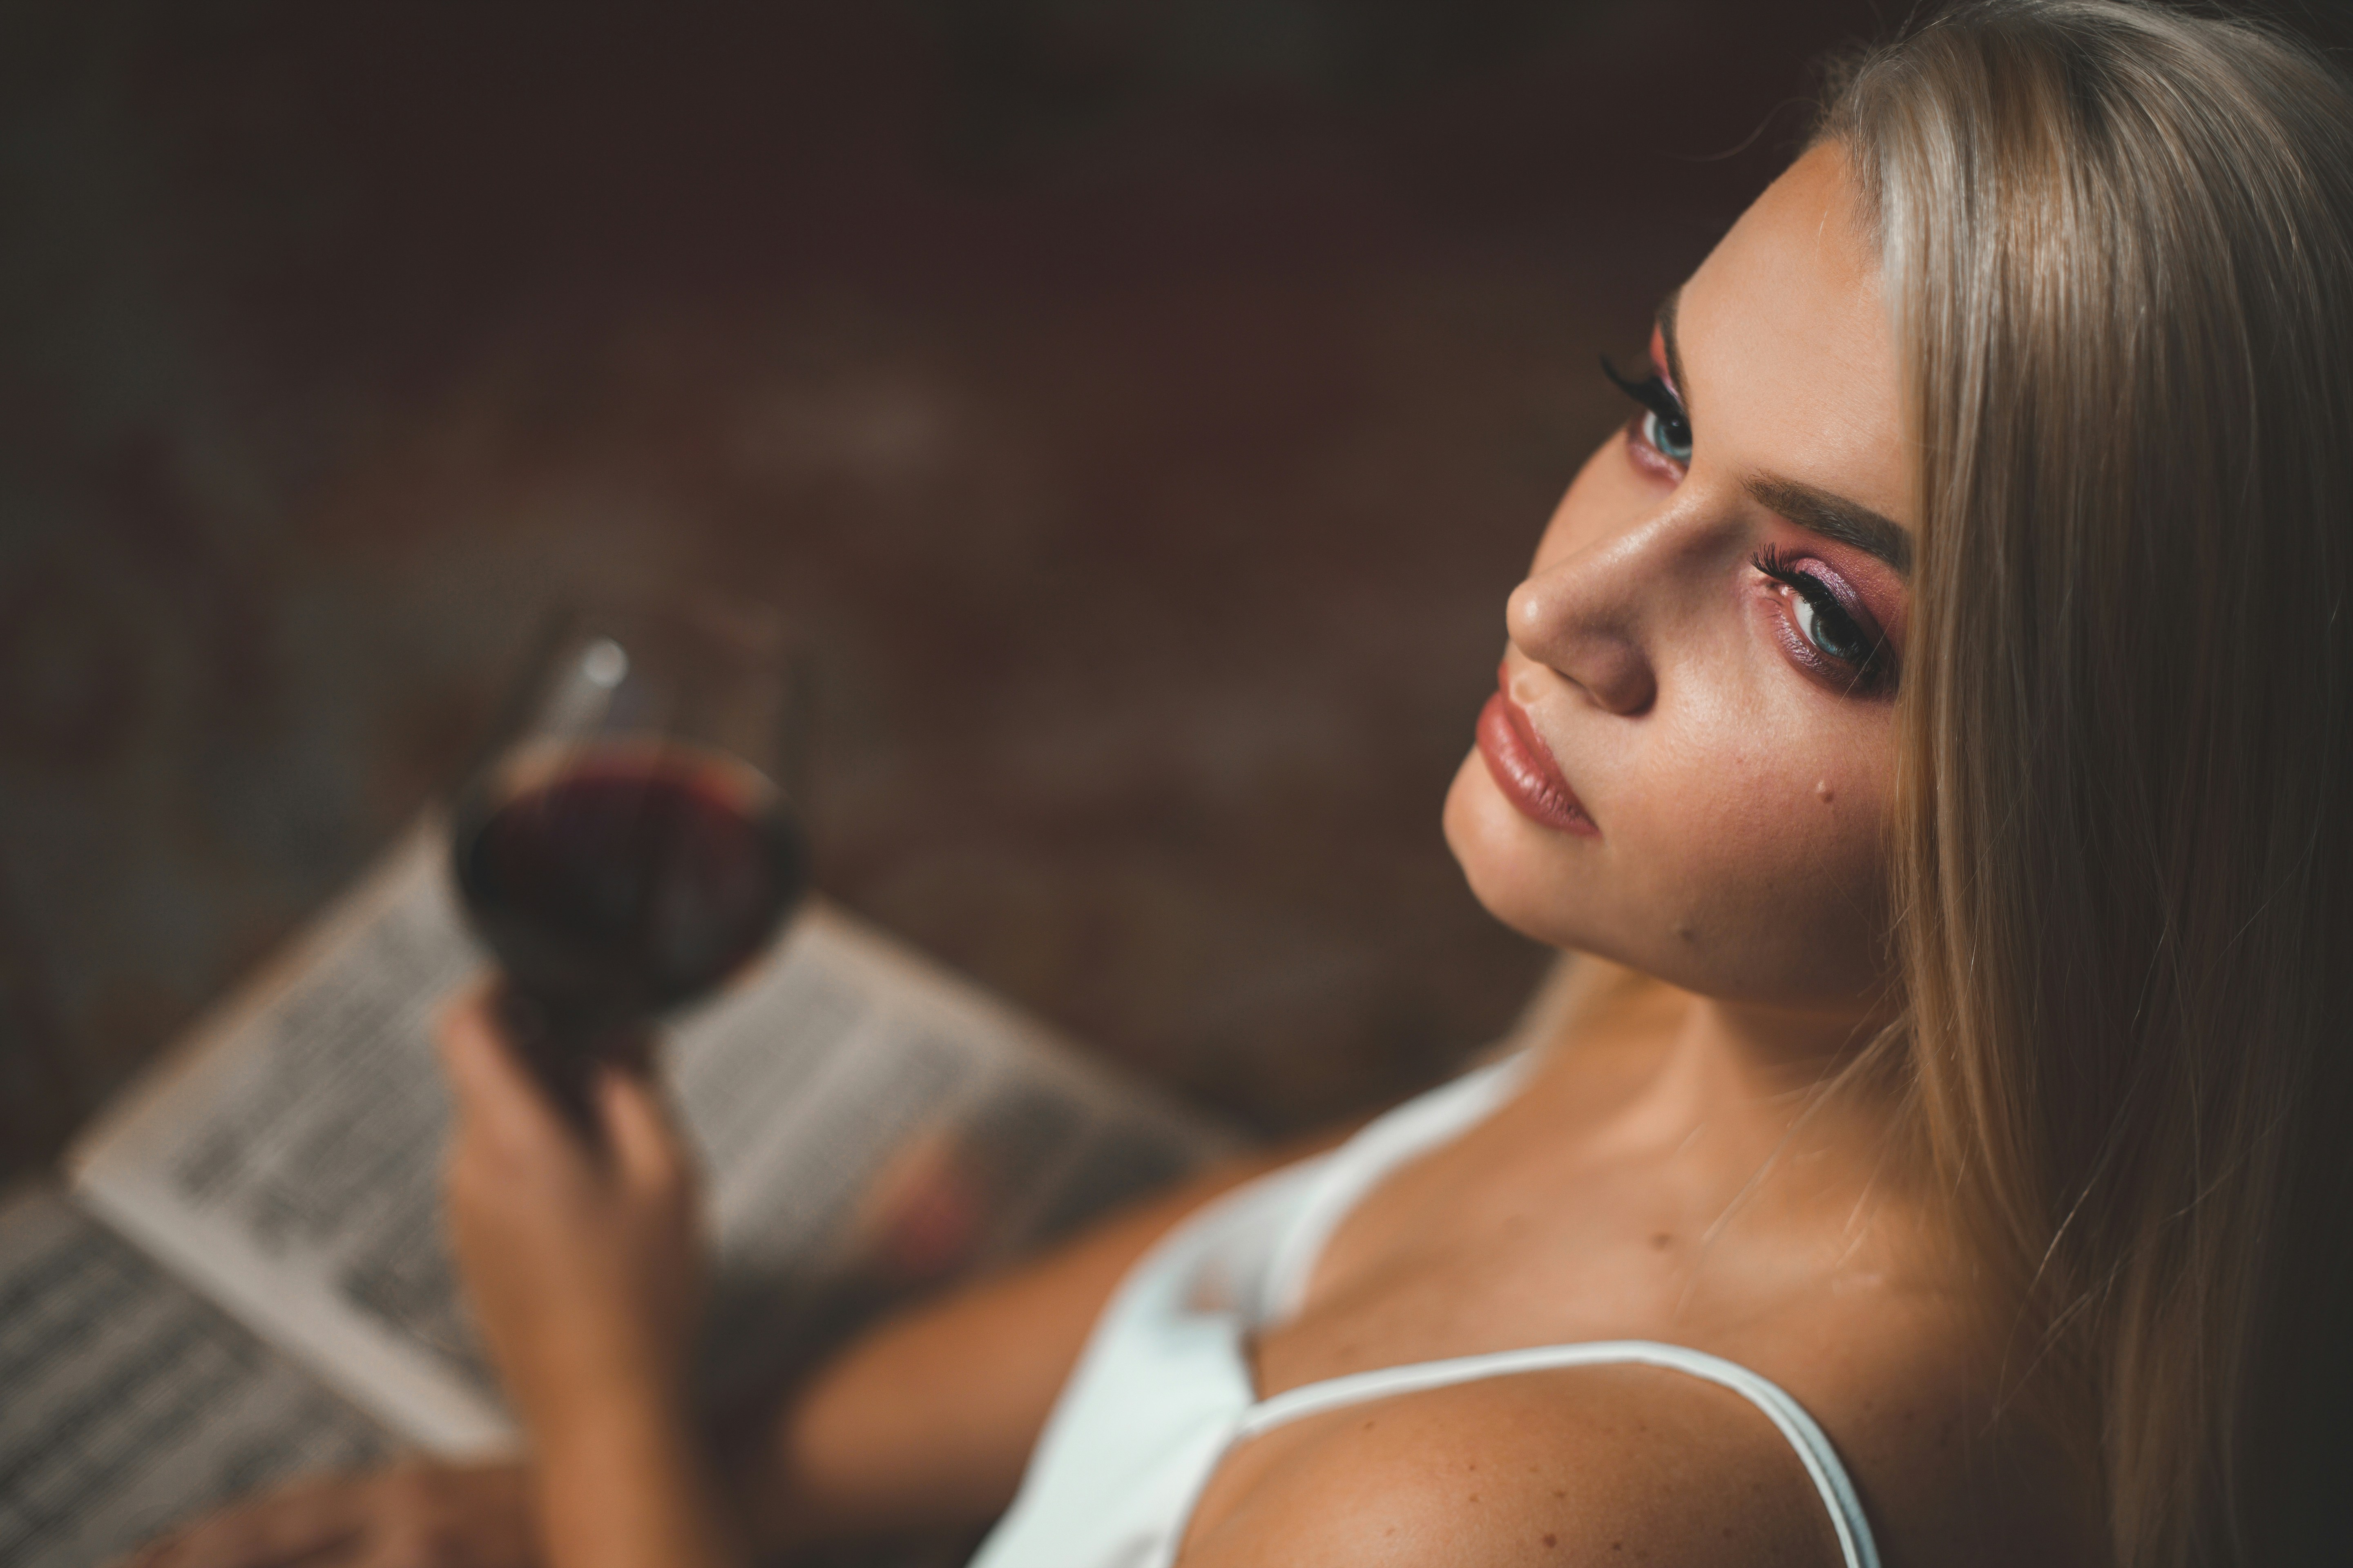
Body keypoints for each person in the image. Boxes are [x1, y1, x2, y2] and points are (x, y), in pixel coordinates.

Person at [125, 2, 2353, 1565]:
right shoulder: (1758, 1019)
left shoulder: (1496, 1523)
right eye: (1663, 418)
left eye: (1819, 615)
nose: (1558, 605)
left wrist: (601, 1390)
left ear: (2142, 834)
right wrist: (652, 1496)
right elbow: (1312, 1236)